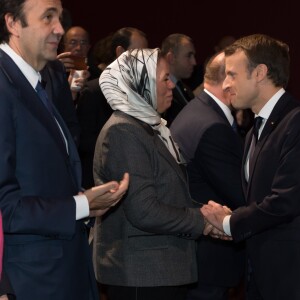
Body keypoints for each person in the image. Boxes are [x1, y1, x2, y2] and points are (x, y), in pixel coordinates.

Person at [0, 1, 129, 299]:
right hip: (33, 281)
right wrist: (82, 206)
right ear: (12, 24)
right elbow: (5, 208)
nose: (59, 28)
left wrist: (86, 201)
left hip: (60, 271)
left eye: (59, 17)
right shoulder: (5, 88)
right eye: (48, 17)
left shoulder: (36, 82)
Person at [92, 48, 215, 300]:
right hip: (142, 274)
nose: (171, 85)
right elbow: (143, 210)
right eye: (164, 79)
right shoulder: (124, 131)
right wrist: (202, 221)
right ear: (141, 83)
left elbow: (169, 193)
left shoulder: (149, 127)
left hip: (158, 270)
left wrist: (209, 213)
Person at [200, 34, 300, 300]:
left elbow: (286, 200)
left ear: (260, 73)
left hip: (289, 277)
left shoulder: (295, 122)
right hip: (260, 273)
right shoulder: (254, 130)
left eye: (232, 74)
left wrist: (231, 222)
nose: (226, 83)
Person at [170, 51, 245, 300]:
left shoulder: (198, 109)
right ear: (228, 79)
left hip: (195, 254)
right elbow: (240, 193)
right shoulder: (212, 126)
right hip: (208, 257)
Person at [77, 27, 148, 189]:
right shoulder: (94, 91)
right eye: (140, 53)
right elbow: (83, 141)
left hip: (133, 180)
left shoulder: (142, 91)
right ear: (120, 52)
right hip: (100, 184)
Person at [161, 33, 196, 126]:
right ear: (171, 58)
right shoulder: (160, 92)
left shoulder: (186, 89)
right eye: (189, 56)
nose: (194, 62)